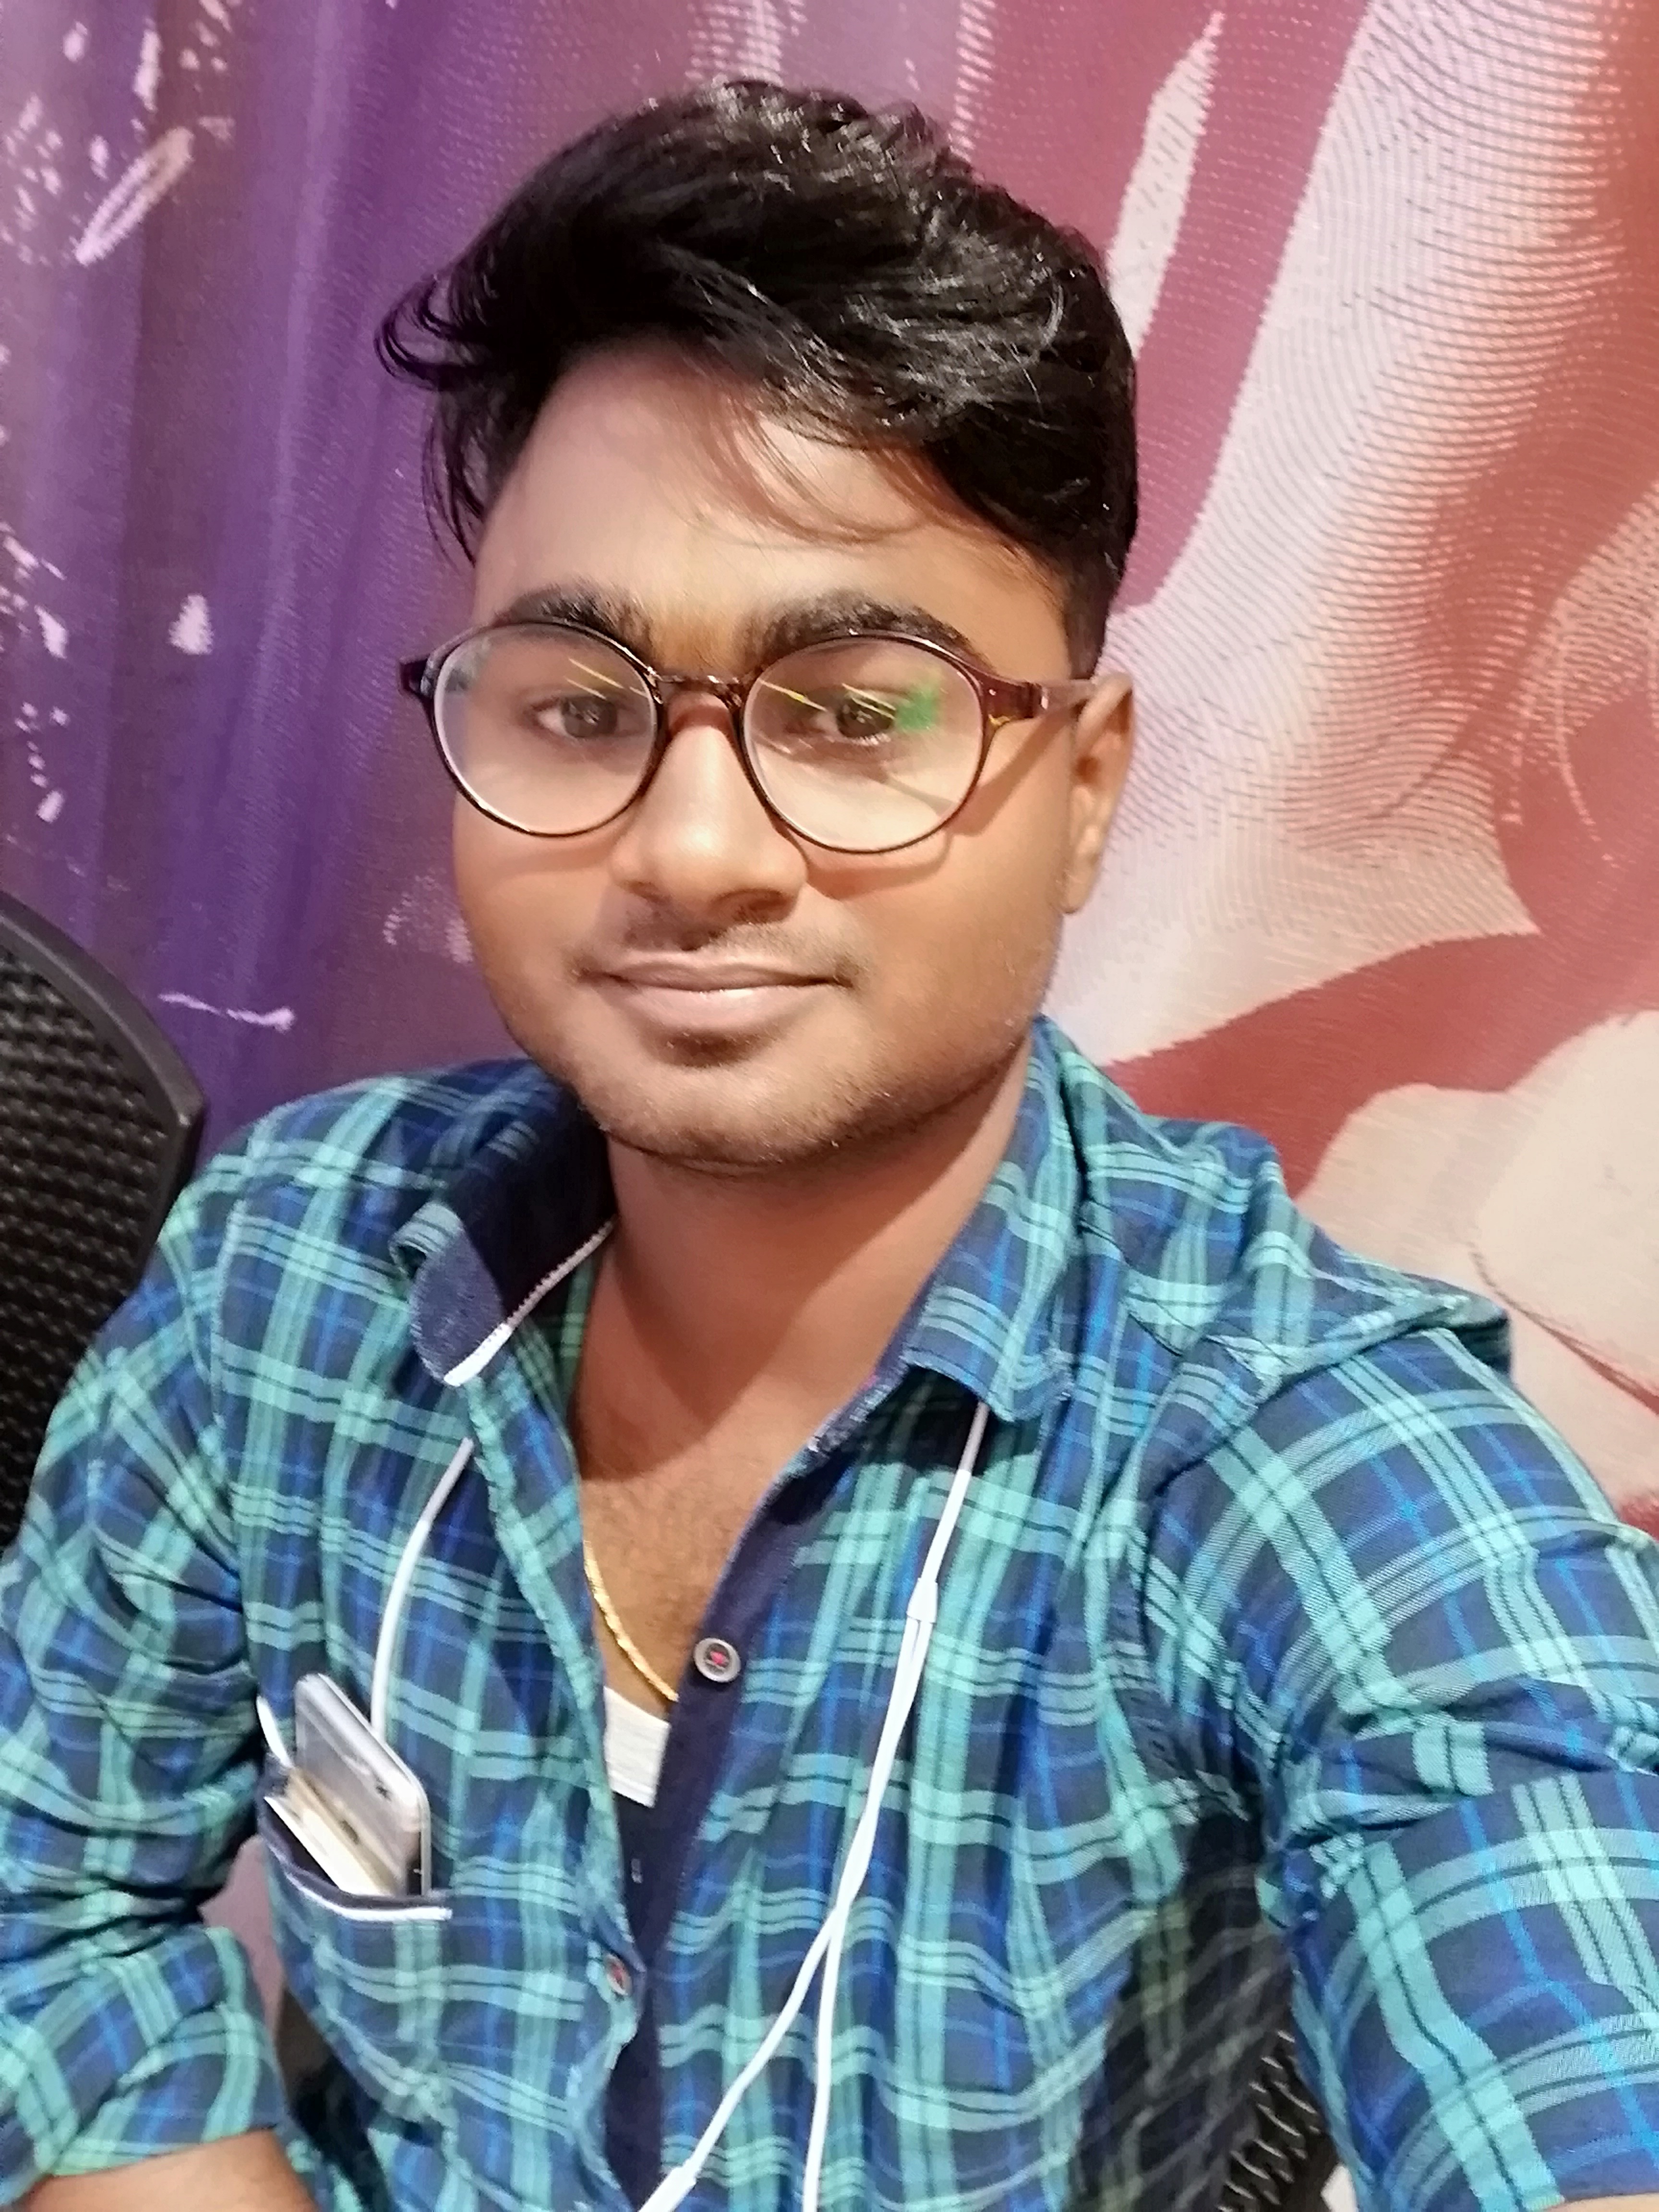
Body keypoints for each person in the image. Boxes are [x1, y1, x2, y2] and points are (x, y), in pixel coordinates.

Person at [3, 79, 1659, 2212]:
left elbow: (1568, 2014)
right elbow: (58, 1896)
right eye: (579, 707)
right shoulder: (292, 1271)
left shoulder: (1290, 1454)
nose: (693, 851)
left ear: (1084, 789)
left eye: (859, 713)